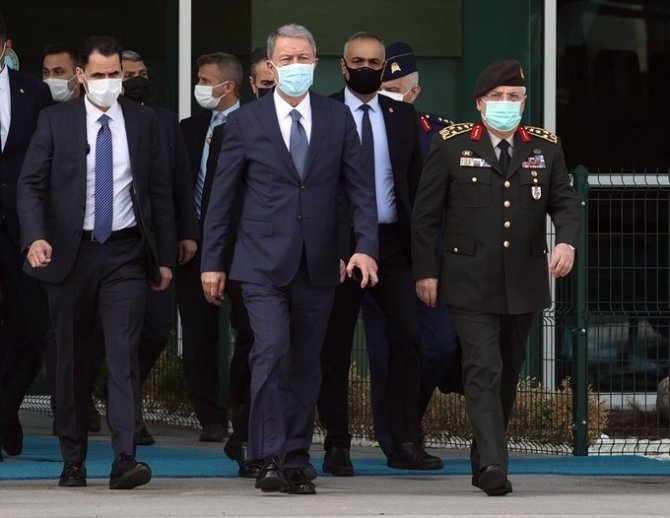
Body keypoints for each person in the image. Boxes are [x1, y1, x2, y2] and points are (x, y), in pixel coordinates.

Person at [201, 23, 378, 495]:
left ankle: (296, 458)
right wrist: (212, 262)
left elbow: (359, 190)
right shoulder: (245, 122)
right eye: (286, 58)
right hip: (260, 264)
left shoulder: (337, 119)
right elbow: (221, 200)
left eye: (303, 58)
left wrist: (363, 247)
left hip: (319, 263)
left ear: (315, 64)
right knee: (272, 350)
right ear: (271, 66)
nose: (295, 66)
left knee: (305, 362)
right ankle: (267, 456)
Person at [412, 59, 580, 496]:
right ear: (480, 103)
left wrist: (566, 242)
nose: (506, 104)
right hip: (468, 279)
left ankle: (483, 455)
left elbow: (565, 203)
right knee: (483, 368)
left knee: (505, 373)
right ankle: (493, 465)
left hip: (523, 281)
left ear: (524, 103)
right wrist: (426, 272)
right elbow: (425, 216)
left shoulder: (545, 147)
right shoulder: (451, 145)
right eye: (497, 97)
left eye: (514, 97)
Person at [17, 35, 176, 489]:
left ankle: (125, 458)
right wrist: (35, 237)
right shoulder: (55, 120)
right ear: (82, 76)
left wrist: (164, 257)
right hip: (70, 255)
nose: (109, 82)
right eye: (100, 75)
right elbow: (30, 184)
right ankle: (73, 459)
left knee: (123, 354)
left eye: (115, 74)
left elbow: (158, 190)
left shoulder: (143, 123)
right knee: (70, 359)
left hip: (125, 253)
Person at [318, 31, 441, 476]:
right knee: (333, 347)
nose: (367, 68)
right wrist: (334, 247)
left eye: (375, 62)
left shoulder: (403, 116)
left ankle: (404, 440)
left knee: (408, 339)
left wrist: (424, 262)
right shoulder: (323, 112)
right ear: (343, 66)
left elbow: (418, 193)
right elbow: (319, 187)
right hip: (340, 247)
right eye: (359, 61)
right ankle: (337, 444)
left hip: (392, 246)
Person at [360, 41, 459, 456]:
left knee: (439, 345)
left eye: (394, 90)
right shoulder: (357, 124)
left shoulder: (439, 133)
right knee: (385, 349)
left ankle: (406, 421)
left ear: (413, 93)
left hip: (427, 258)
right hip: (376, 251)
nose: (385, 97)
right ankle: (397, 438)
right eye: (382, 89)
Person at [120, 49, 199, 446]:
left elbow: (180, 181)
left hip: (156, 243)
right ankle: (128, 417)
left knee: (154, 332)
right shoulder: (102, 120)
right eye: (128, 74)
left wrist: (187, 232)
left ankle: (120, 396)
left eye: (142, 73)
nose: (137, 80)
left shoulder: (166, 121)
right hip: (115, 244)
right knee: (119, 335)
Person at [178, 52, 242, 443]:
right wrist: (185, 233)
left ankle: (244, 412)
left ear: (228, 86)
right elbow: (178, 186)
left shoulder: (253, 125)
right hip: (196, 245)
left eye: (205, 80)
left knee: (248, 332)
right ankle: (211, 417)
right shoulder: (189, 129)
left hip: (242, 245)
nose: (199, 87)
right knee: (198, 335)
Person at [42, 43, 104, 438]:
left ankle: (87, 405)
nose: (52, 80)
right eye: (46, 72)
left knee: (107, 336)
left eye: (59, 72)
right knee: (59, 338)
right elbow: (31, 181)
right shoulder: (46, 117)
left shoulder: (124, 120)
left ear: (76, 75)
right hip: (55, 247)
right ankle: (67, 416)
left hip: (110, 247)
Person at [0, 11, 53, 462]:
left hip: (22, 231)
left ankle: (5, 408)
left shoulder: (34, 92)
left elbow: (50, 160)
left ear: (6, 47)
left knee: (32, 330)